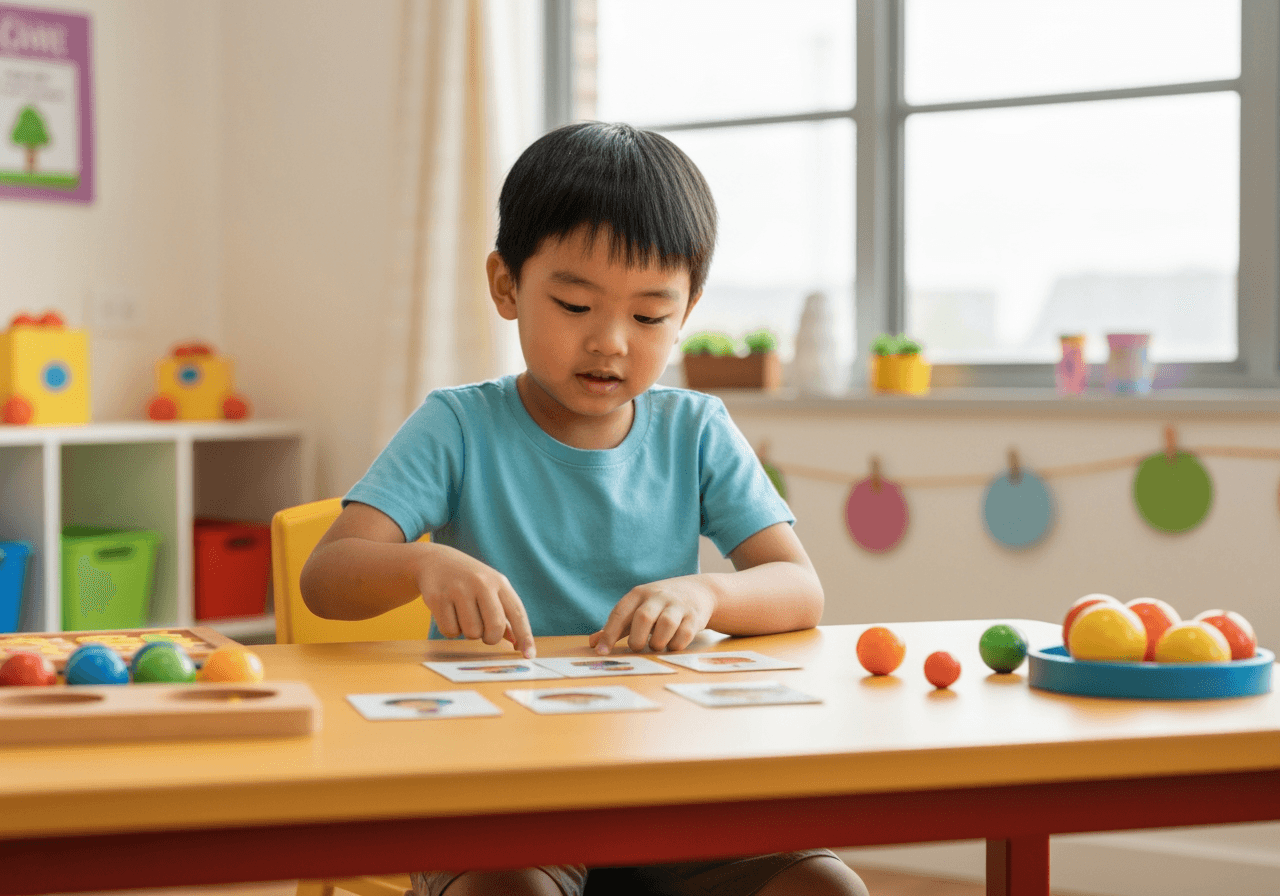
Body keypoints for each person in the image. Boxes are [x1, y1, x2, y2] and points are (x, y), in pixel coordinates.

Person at [302, 122, 868, 896]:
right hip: (500, 781)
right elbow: (327, 578)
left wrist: (706, 591)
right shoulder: (459, 426)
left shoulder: (695, 429)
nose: (609, 342)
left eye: (647, 317)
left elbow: (799, 588)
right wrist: (422, 563)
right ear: (506, 286)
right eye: (574, 304)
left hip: (665, 772)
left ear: (687, 311)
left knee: (826, 888)